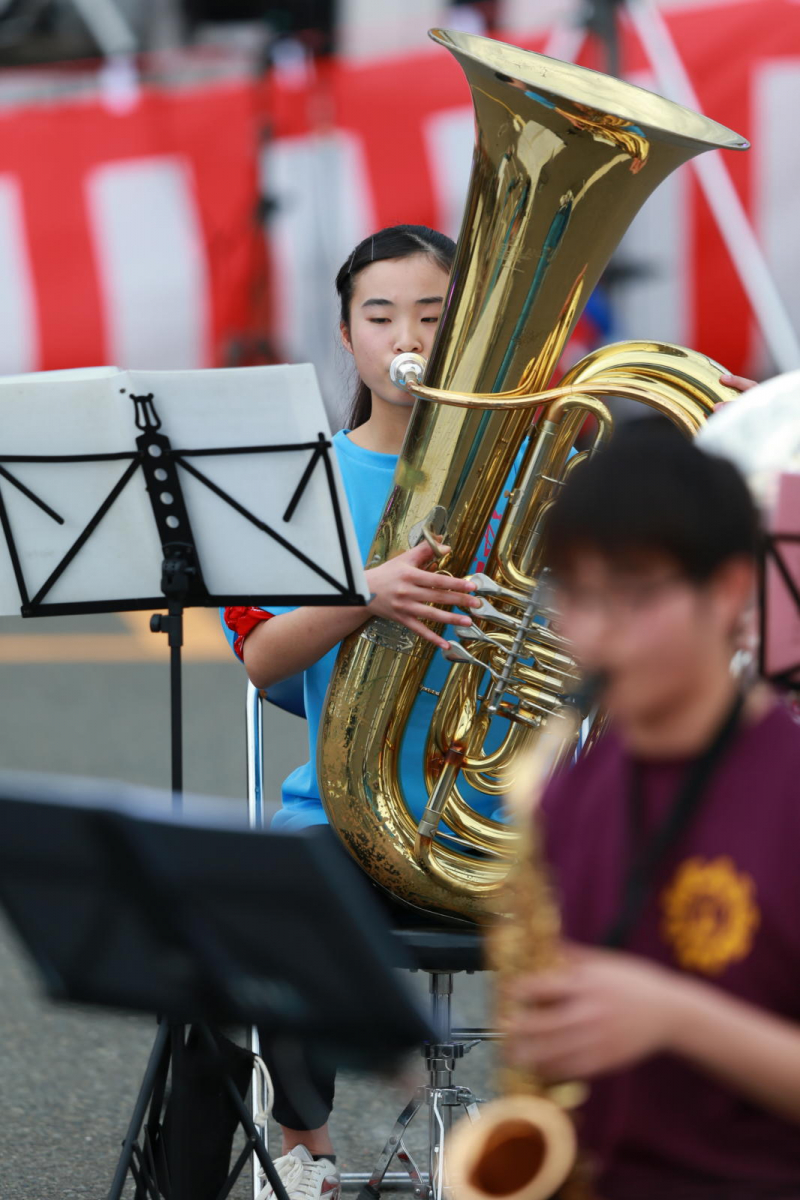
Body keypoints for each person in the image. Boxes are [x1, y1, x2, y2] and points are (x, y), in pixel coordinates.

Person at [223, 224, 489, 1200]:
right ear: (345, 335)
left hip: (489, 825)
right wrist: (361, 592)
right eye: (379, 315)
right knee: (258, 902)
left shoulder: (516, 483)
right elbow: (260, 664)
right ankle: (304, 1152)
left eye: (431, 313)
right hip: (342, 821)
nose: (403, 335)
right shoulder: (301, 487)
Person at [504, 420, 800, 1200]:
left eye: (631, 597)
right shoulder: (569, 784)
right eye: (574, 595)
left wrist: (675, 1018)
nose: (593, 635)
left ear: (731, 590)